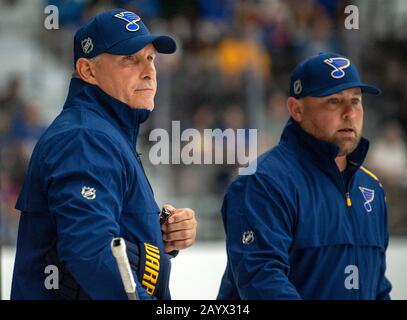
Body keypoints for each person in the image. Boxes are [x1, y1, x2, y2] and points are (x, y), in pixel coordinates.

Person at [11, 9, 197, 300]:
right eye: (130, 59)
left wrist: (158, 234)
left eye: (150, 58)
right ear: (88, 71)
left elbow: (99, 240)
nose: (149, 71)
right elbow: (90, 252)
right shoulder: (86, 137)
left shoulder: (105, 132)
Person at [217, 53, 392, 300]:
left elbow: (378, 287)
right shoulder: (262, 182)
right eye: (333, 101)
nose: (349, 113)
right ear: (296, 109)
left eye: (355, 101)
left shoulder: (370, 187)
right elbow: (263, 282)